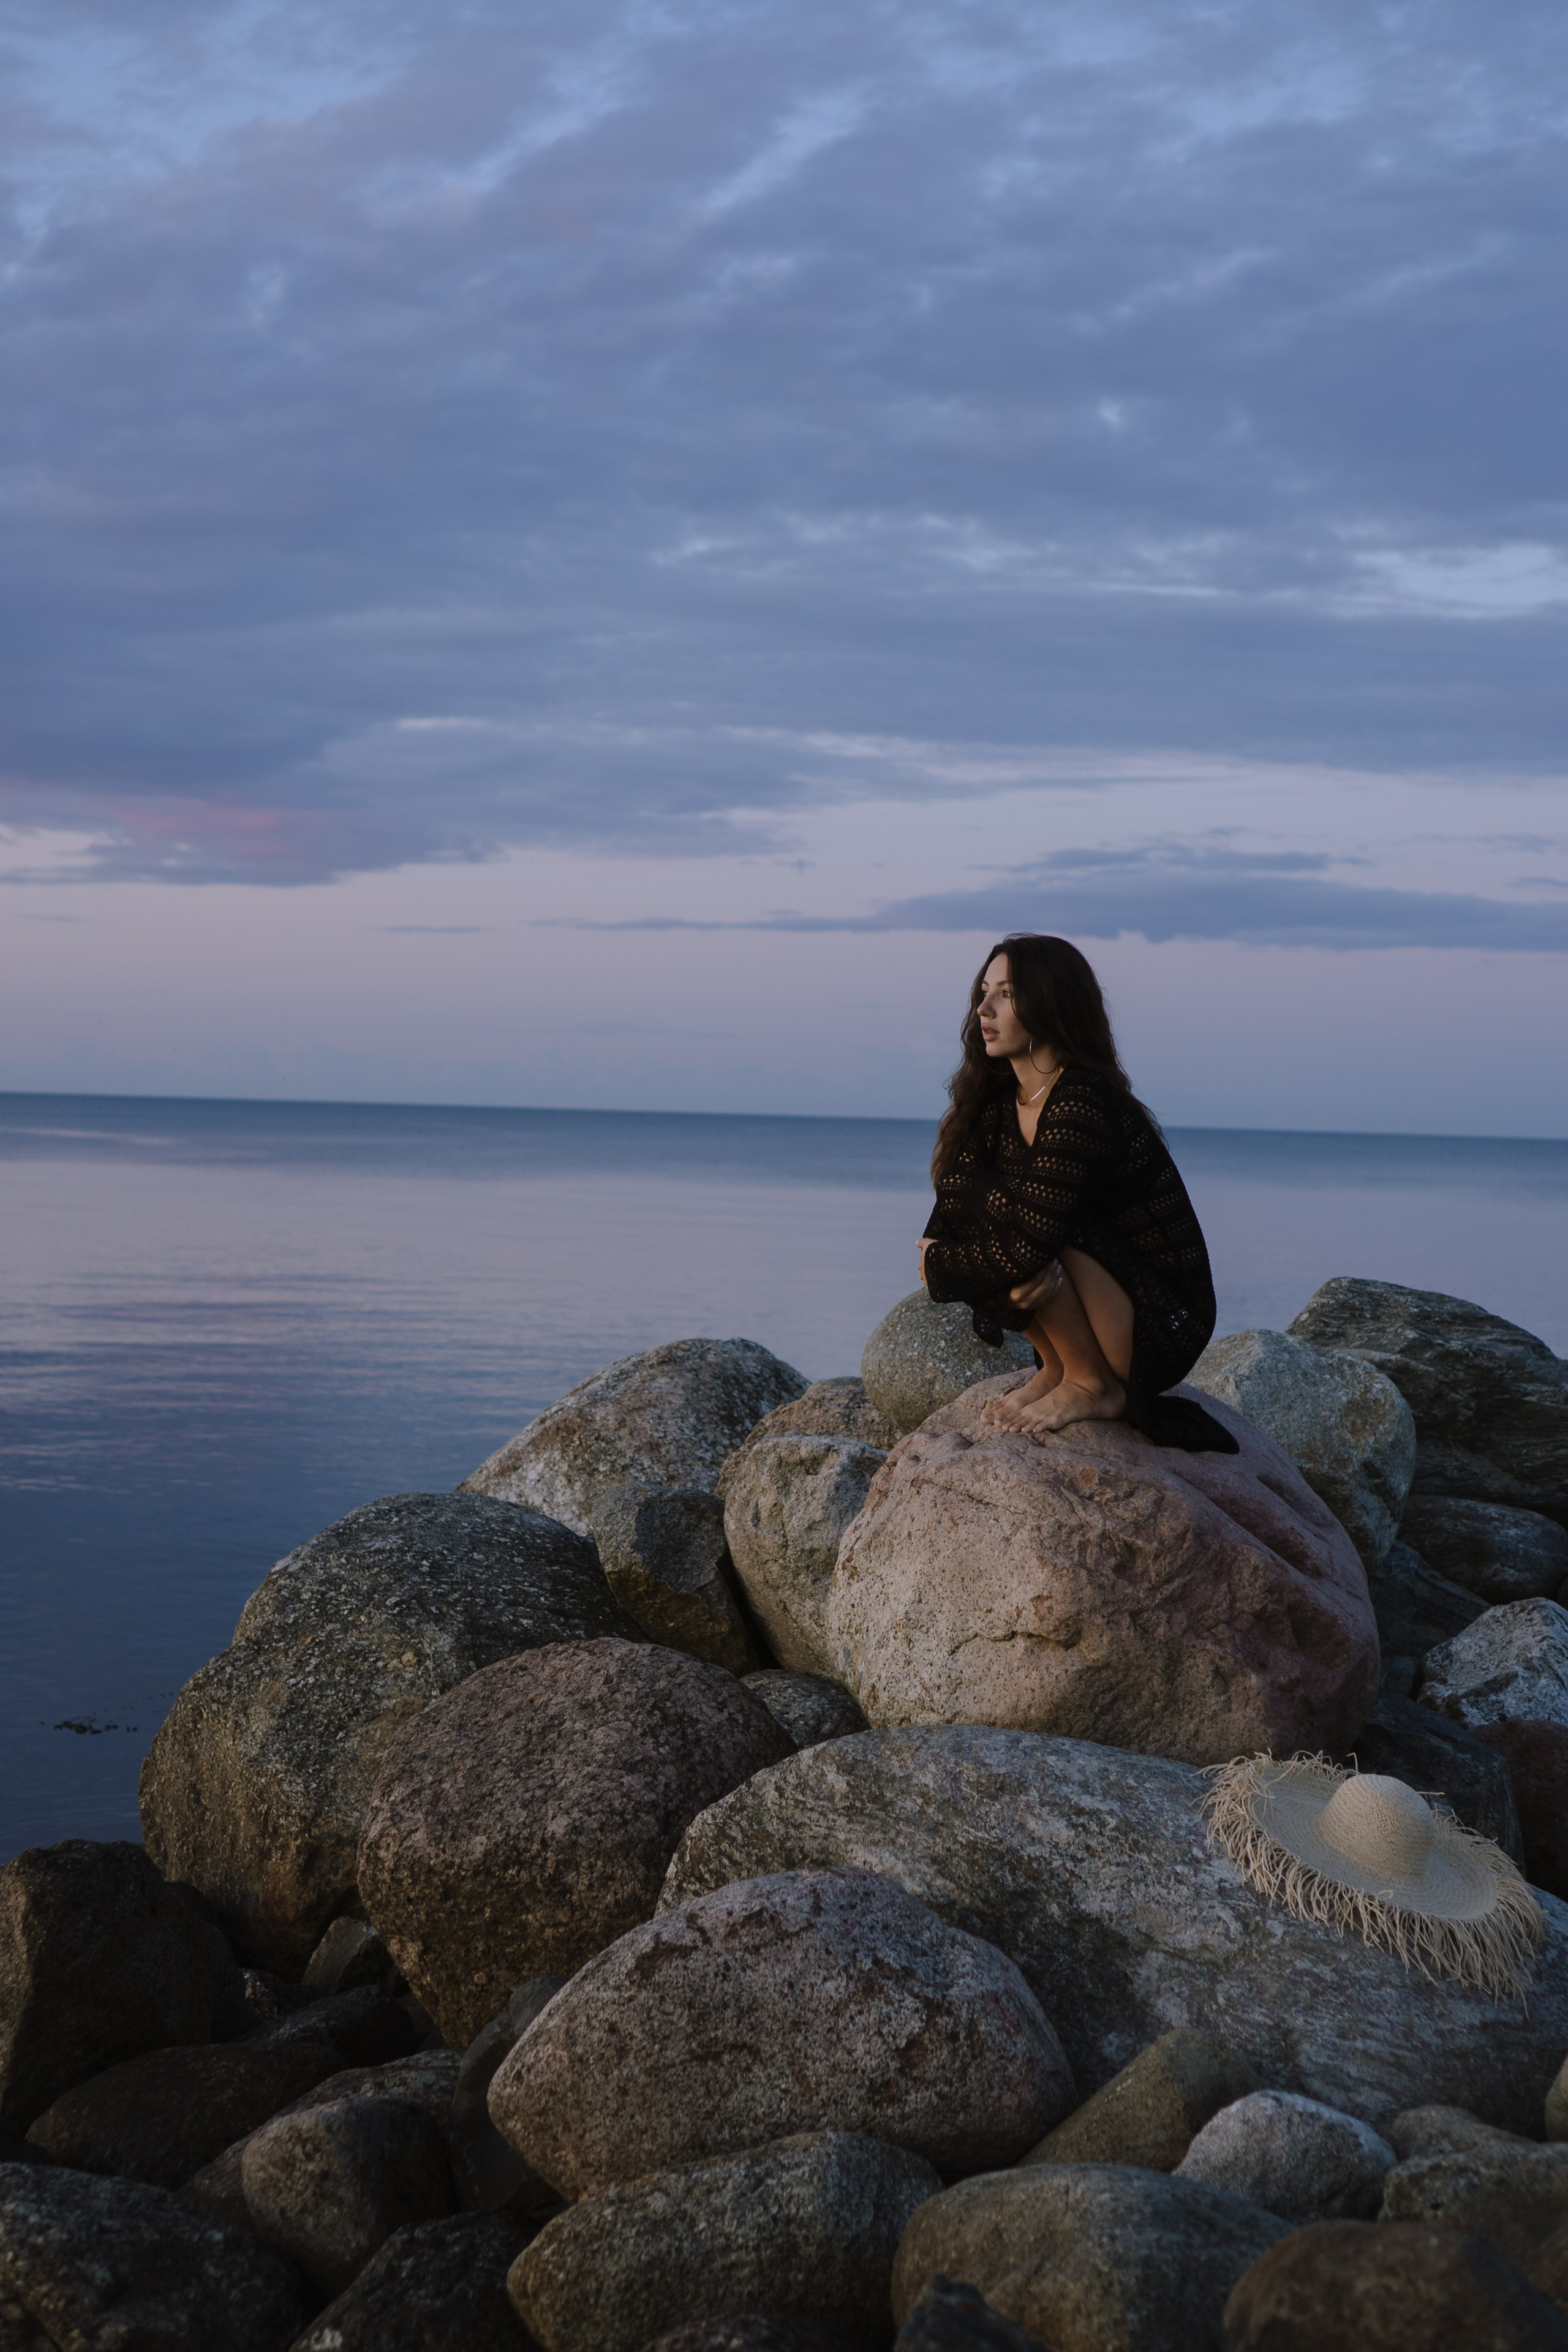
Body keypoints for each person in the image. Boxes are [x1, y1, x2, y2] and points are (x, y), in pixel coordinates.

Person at [918, 933, 1238, 1452]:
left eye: (1008, 993)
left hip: (1156, 1321)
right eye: (983, 991)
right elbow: (951, 1212)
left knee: (1030, 1231)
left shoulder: (1083, 1101)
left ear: (1054, 1002)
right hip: (1083, 1290)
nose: (985, 1008)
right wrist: (971, 1270)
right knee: (994, 1212)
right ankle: (1062, 1367)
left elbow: (1025, 1244)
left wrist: (943, 1268)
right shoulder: (997, 1107)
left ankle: (1093, 1383)